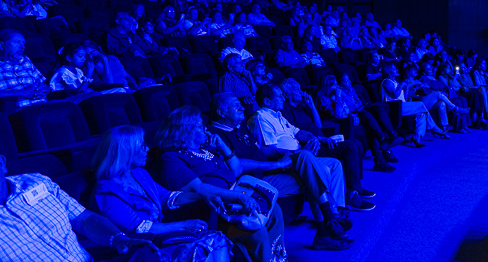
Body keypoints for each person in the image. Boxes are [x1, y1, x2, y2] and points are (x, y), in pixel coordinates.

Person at [208, 94, 353, 251]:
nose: (242, 107)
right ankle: (328, 224)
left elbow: (261, 149)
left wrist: (288, 154)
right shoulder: (215, 135)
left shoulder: (240, 126)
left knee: (305, 158)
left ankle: (327, 226)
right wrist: (276, 164)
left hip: (266, 173)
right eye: (236, 105)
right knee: (310, 173)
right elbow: (236, 165)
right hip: (249, 183)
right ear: (221, 112)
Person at [148, 106, 288, 262]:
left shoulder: (206, 149)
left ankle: (277, 257)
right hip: (214, 210)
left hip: (234, 198)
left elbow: (237, 170)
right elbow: (199, 189)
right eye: (200, 126)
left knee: (274, 209)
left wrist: (223, 147)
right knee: (256, 232)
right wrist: (239, 197)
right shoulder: (171, 159)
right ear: (185, 131)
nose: (205, 128)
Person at [91, 126, 232, 261]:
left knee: (216, 239)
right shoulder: (107, 191)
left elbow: (167, 197)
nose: (147, 149)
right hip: (141, 250)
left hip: (159, 238)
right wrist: (184, 225)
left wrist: (203, 195)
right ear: (127, 151)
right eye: (142, 145)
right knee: (205, 245)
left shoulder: (139, 173)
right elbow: (138, 227)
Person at [0, 153, 160, 262]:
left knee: (145, 254)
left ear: (2, 163)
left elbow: (84, 219)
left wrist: (119, 239)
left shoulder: (37, 181)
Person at [278, 79, 376, 212]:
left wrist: (311, 105)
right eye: (297, 89)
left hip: (322, 140)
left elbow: (318, 125)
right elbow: (294, 134)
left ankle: (356, 187)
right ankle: (351, 193)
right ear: (287, 93)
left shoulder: (303, 106)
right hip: (312, 147)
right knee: (350, 147)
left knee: (356, 143)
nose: (301, 92)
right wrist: (320, 139)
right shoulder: (285, 110)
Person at [249, 85, 349, 215]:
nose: (283, 99)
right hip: (287, 160)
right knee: (323, 169)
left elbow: (297, 132)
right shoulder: (261, 117)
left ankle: (337, 207)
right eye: (279, 96)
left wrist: (314, 138)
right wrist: (299, 153)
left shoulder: (278, 115)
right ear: (267, 101)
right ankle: (330, 213)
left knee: (335, 164)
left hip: (301, 154)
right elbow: (268, 150)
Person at [317, 74, 400, 172]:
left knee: (371, 124)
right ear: (327, 86)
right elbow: (338, 116)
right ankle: (381, 150)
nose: (336, 87)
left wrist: (351, 114)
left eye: (336, 84)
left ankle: (381, 152)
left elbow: (347, 109)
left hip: (348, 120)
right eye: (333, 85)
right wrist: (339, 97)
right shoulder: (323, 98)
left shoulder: (336, 95)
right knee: (368, 121)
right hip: (340, 126)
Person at [381, 62, 447, 146]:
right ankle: (435, 128)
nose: (396, 70)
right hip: (394, 107)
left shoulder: (396, 82)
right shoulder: (387, 81)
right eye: (394, 69)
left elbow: (405, 96)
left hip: (401, 105)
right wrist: (401, 86)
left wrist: (407, 87)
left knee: (421, 114)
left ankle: (417, 138)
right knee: (420, 104)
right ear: (389, 71)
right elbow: (394, 95)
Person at [0, 29, 49, 108]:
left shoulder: (26, 60)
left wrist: (45, 89)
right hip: (22, 109)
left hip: (44, 104)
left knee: (74, 99)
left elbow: (43, 84)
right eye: (17, 42)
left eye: (23, 43)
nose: (22, 47)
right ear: (2, 45)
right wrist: (22, 92)